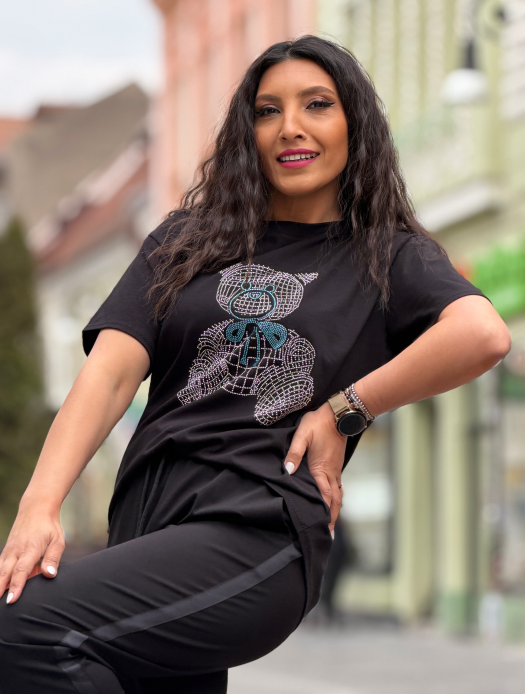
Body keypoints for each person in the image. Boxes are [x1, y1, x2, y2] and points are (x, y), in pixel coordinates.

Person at [0, 35, 510, 694]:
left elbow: (481, 334)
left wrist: (345, 410)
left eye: (316, 104)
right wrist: (39, 506)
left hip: (254, 525)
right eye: (268, 111)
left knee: (22, 627)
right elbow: (109, 375)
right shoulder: (186, 241)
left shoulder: (386, 255)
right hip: (145, 523)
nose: (290, 126)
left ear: (354, 123)